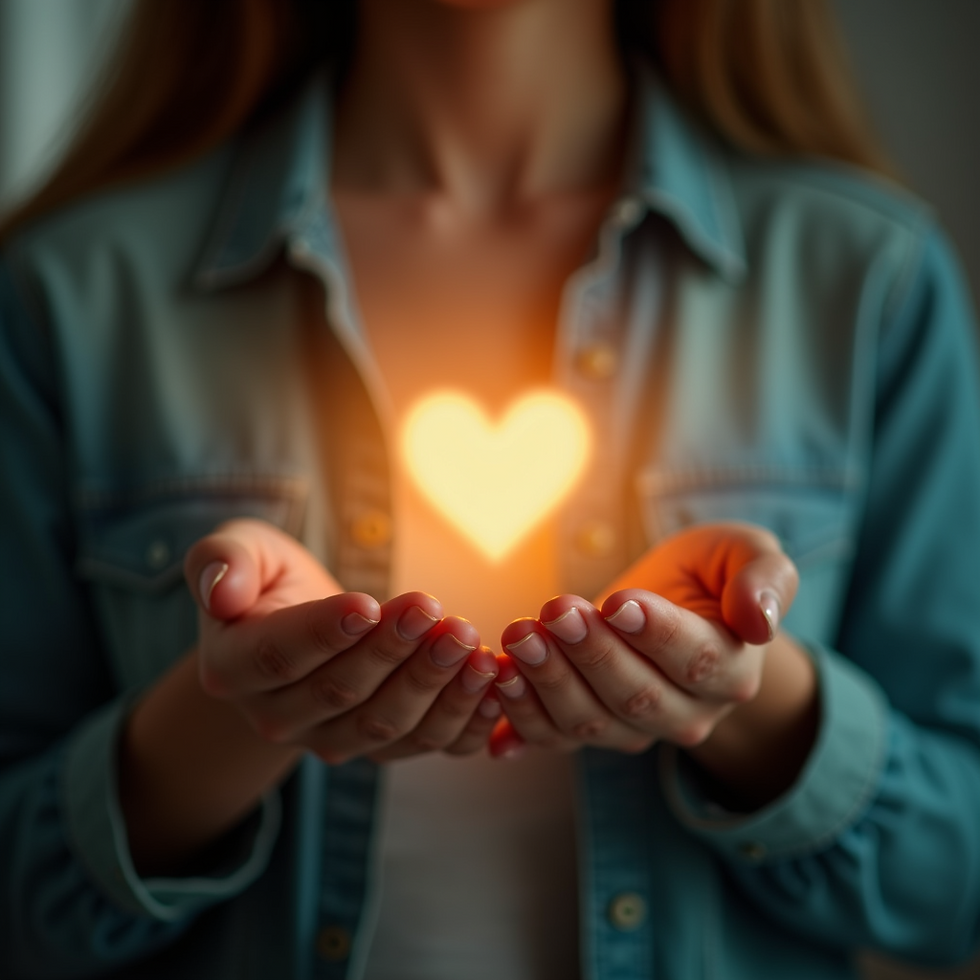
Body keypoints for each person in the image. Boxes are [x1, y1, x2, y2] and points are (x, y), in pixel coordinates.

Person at [2, 0, 979, 977]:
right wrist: (226, 714)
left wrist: (759, 704)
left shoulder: (865, 279)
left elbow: (958, 887)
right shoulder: (68, 295)